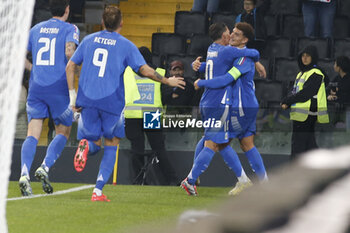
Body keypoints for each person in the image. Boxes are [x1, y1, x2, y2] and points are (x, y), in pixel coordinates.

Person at [66, 5, 185, 202]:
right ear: (122, 22)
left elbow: (70, 66)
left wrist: (72, 96)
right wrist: (167, 80)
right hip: (123, 107)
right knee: (116, 145)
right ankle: (98, 191)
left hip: (89, 101)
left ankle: (86, 146)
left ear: (102, 22)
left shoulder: (88, 40)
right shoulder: (126, 46)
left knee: (97, 143)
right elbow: (146, 71)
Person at [180, 22, 261, 196]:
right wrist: (256, 60)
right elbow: (253, 52)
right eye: (229, 32)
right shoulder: (228, 51)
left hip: (207, 101)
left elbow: (213, 66)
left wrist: (198, 67)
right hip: (219, 103)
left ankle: (243, 180)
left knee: (215, 141)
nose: (231, 34)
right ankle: (191, 180)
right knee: (213, 144)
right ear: (224, 36)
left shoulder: (211, 49)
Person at [19, 0, 80, 196]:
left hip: (36, 87)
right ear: (67, 10)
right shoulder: (70, 28)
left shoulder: (36, 29)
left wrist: (33, 68)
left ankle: (24, 173)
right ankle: (44, 166)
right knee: (64, 130)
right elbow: (70, 52)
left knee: (32, 133)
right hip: (58, 88)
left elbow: (19, 55)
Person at [124, 46, 180, 185]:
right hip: (152, 114)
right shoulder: (159, 72)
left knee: (137, 150)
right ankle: (172, 180)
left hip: (132, 116)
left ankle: (138, 181)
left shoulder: (127, 73)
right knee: (159, 149)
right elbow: (167, 96)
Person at [281, 45, 329, 159]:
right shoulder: (301, 73)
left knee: (299, 147)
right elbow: (294, 91)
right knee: (309, 146)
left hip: (307, 114)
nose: (305, 58)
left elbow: (306, 94)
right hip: (300, 115)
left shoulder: (316, 73)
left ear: (313, 57)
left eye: (308, 56)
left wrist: (287, 101)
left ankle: (295, 172)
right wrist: (286, 100)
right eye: (303, 56)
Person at [327, 56, 350, 129]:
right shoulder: (337, 78)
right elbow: (329, 89)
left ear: (339, 67)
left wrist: (337, 95)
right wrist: (329, 95)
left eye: (335, 64)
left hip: (347, 110)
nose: (334, 66)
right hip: (336, 109)